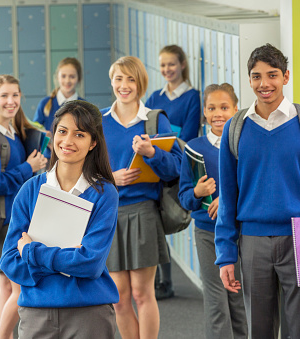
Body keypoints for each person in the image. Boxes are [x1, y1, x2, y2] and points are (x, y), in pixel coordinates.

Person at [215, 43, 300, 338]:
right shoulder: (236, 128)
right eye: (256, 76)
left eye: (272, 75)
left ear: (286, 76)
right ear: (249, 80)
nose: (264, 84)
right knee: (259, 329)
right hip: (253, 239)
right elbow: (228, 199)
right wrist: (226, 254)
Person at [0, 100, 119, 338]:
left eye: (79, 134)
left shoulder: (104, 194)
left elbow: (90, 263)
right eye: (62, 131)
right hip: (36, 313)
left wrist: (33, 253)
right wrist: (68, 259)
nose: (67, 141)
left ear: (93, 142)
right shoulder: (30, 190)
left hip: (89, 314)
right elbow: (10, 262)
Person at [101, 56, 182, 339]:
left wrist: (152, 154)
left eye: (131, 79)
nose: (124, 86)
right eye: (119, 79)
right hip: (108, 215)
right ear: (111, 82)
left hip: (143, 211)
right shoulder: (98, 122)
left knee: (142, 293)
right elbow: (81, 170)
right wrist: (111, 177)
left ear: (141, 84)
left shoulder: (155, 120)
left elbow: (176, 169)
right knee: (119, 298)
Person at [0, 75, 46, 339]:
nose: (11, 101)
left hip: (16, 218)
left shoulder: (14, 133)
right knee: (18, 289)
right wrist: (29, 167)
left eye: (15, 95)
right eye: (4, 96)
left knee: (6, 286)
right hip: (6, 221)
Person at [178, 83, 247, 339]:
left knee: (238, 301)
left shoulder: (243, 144)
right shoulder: (194, 148)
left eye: (224, 107)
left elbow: (255, 187)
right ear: (204, 113)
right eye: (212, 108)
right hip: (207, 235)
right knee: (217, 302)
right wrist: (197, 192)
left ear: (236, 110)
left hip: (240, 234)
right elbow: (184, 198)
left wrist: (229, 201)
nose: (218, 113)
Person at [145, 44, 201, 300]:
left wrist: (164, 140)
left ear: (182, 65)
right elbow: (144, 129)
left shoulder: (192, 97)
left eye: (172, 64)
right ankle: (157, 281)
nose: (167, 69)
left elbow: (187, 137)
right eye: (163, 64)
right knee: (151, 223)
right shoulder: (155, 98)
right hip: (152, 164)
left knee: (164, 221)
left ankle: (165, 281)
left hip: (174, 166)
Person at [34, 57, 84, 132]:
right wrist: (43, 135)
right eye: (63, 76)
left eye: (72, 77)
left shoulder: (85, 106)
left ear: (79, 78)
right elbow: (34, 132)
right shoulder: (45, 103)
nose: (67, 81)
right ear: (57, 77)